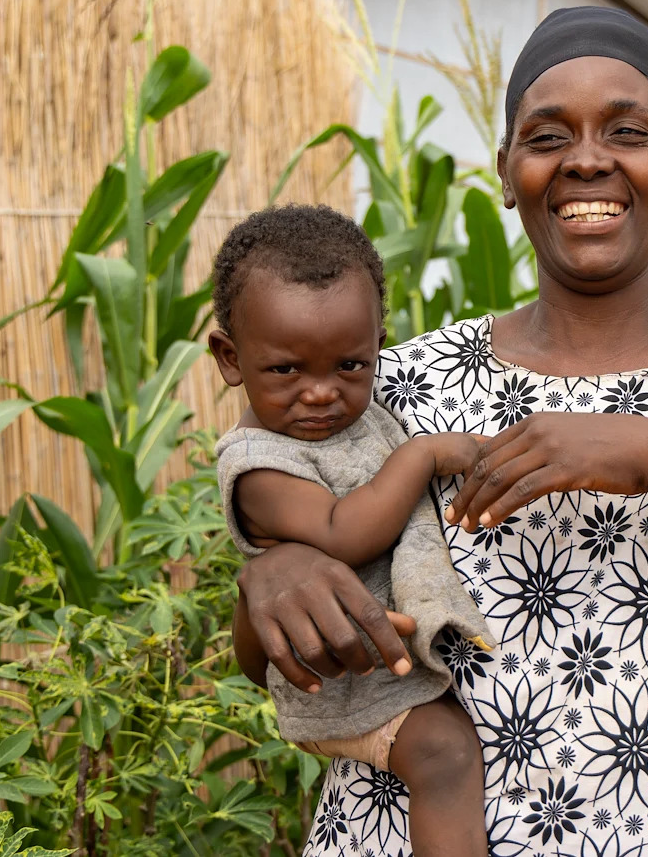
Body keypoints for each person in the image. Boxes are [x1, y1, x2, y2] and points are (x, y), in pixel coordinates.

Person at [232, 5, 648, 856]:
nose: (588, 157)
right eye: (548, 136)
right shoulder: (393, 385)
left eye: (628, 130)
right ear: (508, 176)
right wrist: (273, 575)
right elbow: (271, 645)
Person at [207, 204, 497, 857]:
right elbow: (341, 533)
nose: (320, 393)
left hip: (373, 666)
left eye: (349, 365)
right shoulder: (258, 463)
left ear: (377, 347)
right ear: (231, 356)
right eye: (286, 369)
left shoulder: (359, 417)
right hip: (338, 681)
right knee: (446, 755)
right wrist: (421, 454)